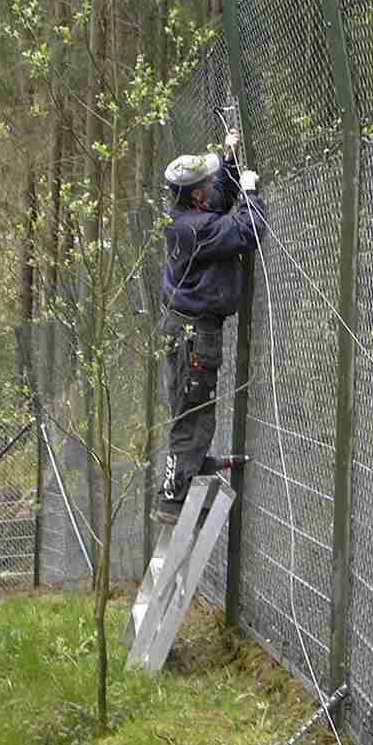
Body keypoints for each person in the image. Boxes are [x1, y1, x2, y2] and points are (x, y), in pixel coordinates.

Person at [156, 128, 266, 524]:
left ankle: (192, 466)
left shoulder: (189, 216)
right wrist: (251, 195)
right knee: (193, 412)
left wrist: (230, 159)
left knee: (194, 406)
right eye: (205, 183)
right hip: (193, 334)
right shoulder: (196, 228)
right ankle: (173, 497)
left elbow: (218, 199)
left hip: (187, 329)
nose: (210, 187)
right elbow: (247, 231)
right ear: (195, 195)